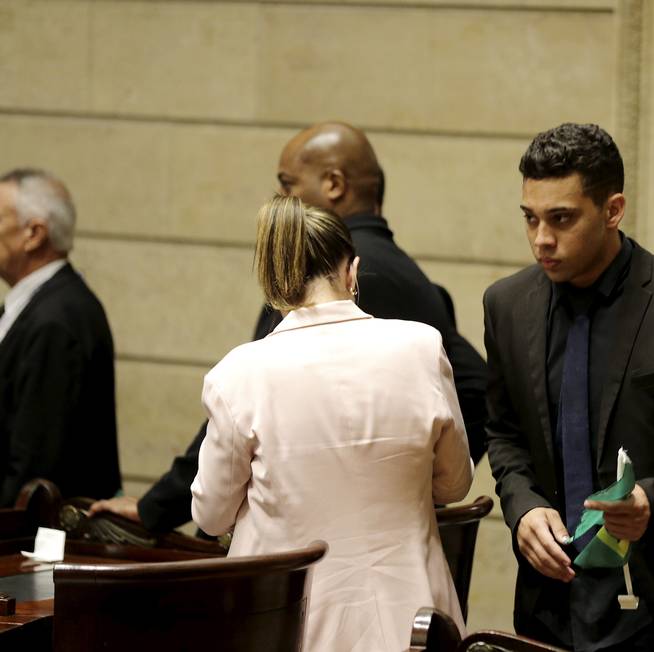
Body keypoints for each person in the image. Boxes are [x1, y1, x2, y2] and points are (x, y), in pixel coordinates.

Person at [91, 122, 486, 530]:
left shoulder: (315, 279)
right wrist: (415, 489)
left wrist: (154, 509)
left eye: (287, 183)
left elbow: (246, 407)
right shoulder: (412, 278)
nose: (280, 199)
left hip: (310, 550)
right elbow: (475, 387)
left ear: (334, 184)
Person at [484, 123, 654, 651]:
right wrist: (521, 508)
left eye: (561, 219)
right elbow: (505, 434)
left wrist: (653, 500)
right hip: (550, 601)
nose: (542, 238)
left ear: (612, 210)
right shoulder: (506, 305)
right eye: (531, 218)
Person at [191, 195, 473, 651]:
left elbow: (210, 514)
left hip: (286, 623)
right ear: (353, 271)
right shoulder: (421, 347)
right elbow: (455, 484)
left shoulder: (237, 373)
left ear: (275, 282)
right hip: (410, 620)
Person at [0, 169, 120, 506]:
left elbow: (34, 460)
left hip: (35, 539)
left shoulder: (58, 317)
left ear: (34, 233)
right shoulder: (36, 305)